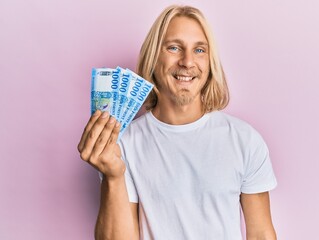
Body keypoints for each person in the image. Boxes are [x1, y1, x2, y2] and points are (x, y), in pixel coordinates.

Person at [78, 5, 277, 240]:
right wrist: (112, 176)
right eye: (174, 47)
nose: (187, 61)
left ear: (210, 63)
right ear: (154, 58)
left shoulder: (245, 140)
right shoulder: (123, 145)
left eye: (200, 50)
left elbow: (261, 233)